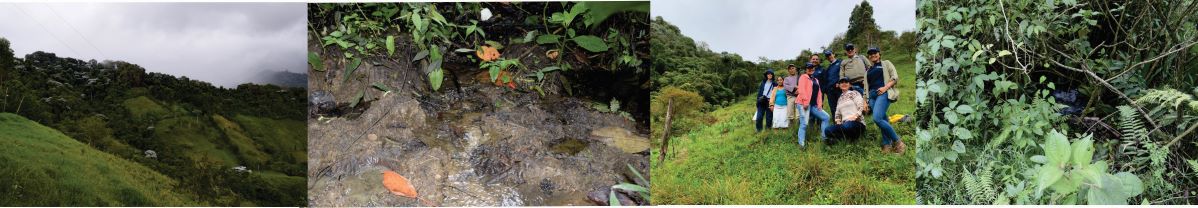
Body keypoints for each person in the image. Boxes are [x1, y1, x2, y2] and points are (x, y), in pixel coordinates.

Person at [865, 47, 904, 154]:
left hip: (883, 92)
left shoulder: (886, 63)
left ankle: (898, 142)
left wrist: (885, 88)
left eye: (875, 53)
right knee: (883, 119)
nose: (873, 55)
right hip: (872, 96)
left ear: (879, 54)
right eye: (870, 54)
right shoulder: (868, 70)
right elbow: (866, 87)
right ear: (868, 56)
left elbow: (895, 77)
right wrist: (866, 100)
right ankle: (887, 144)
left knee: (877, 118)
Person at [795, 63, 831, 147]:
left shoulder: (816, 80)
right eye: (809, 68)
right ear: (806, 69)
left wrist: (819, 105)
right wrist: (806, 102)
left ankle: (824, 138)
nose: (811, 69)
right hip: (803, 103)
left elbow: (819, 93)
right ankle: (801, 144)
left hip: (813, 105)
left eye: (812, 68)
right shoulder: (803, 77)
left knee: (826, 117)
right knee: (804, 124)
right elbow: (802, 90)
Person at [824, 78, 866, 145]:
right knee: (827, 130)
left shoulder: (854, 93)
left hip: (857, 123)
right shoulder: (840, 99)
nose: (844, 84)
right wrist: (838, 122)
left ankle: (841, 140)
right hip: (844, 125)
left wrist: (855, 116)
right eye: (841, 82)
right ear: (839, 85)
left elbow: (861, 106)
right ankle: (845, 140)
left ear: (849, 85)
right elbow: (837, 113)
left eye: (846, 82)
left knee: (848, 125)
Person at [822, 49, 843, 117]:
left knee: (842, 106)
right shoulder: (828, 68)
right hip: (830, 91)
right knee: (833, 109)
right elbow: (825, 80)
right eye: (827, 56)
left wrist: (840, 82)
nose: (829, 57)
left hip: (839, 89)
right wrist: (826, 90)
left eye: (830, 54)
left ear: (833, 54)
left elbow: (844, 73)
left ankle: (846, 124)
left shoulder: (840, 62)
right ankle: (836, 124)